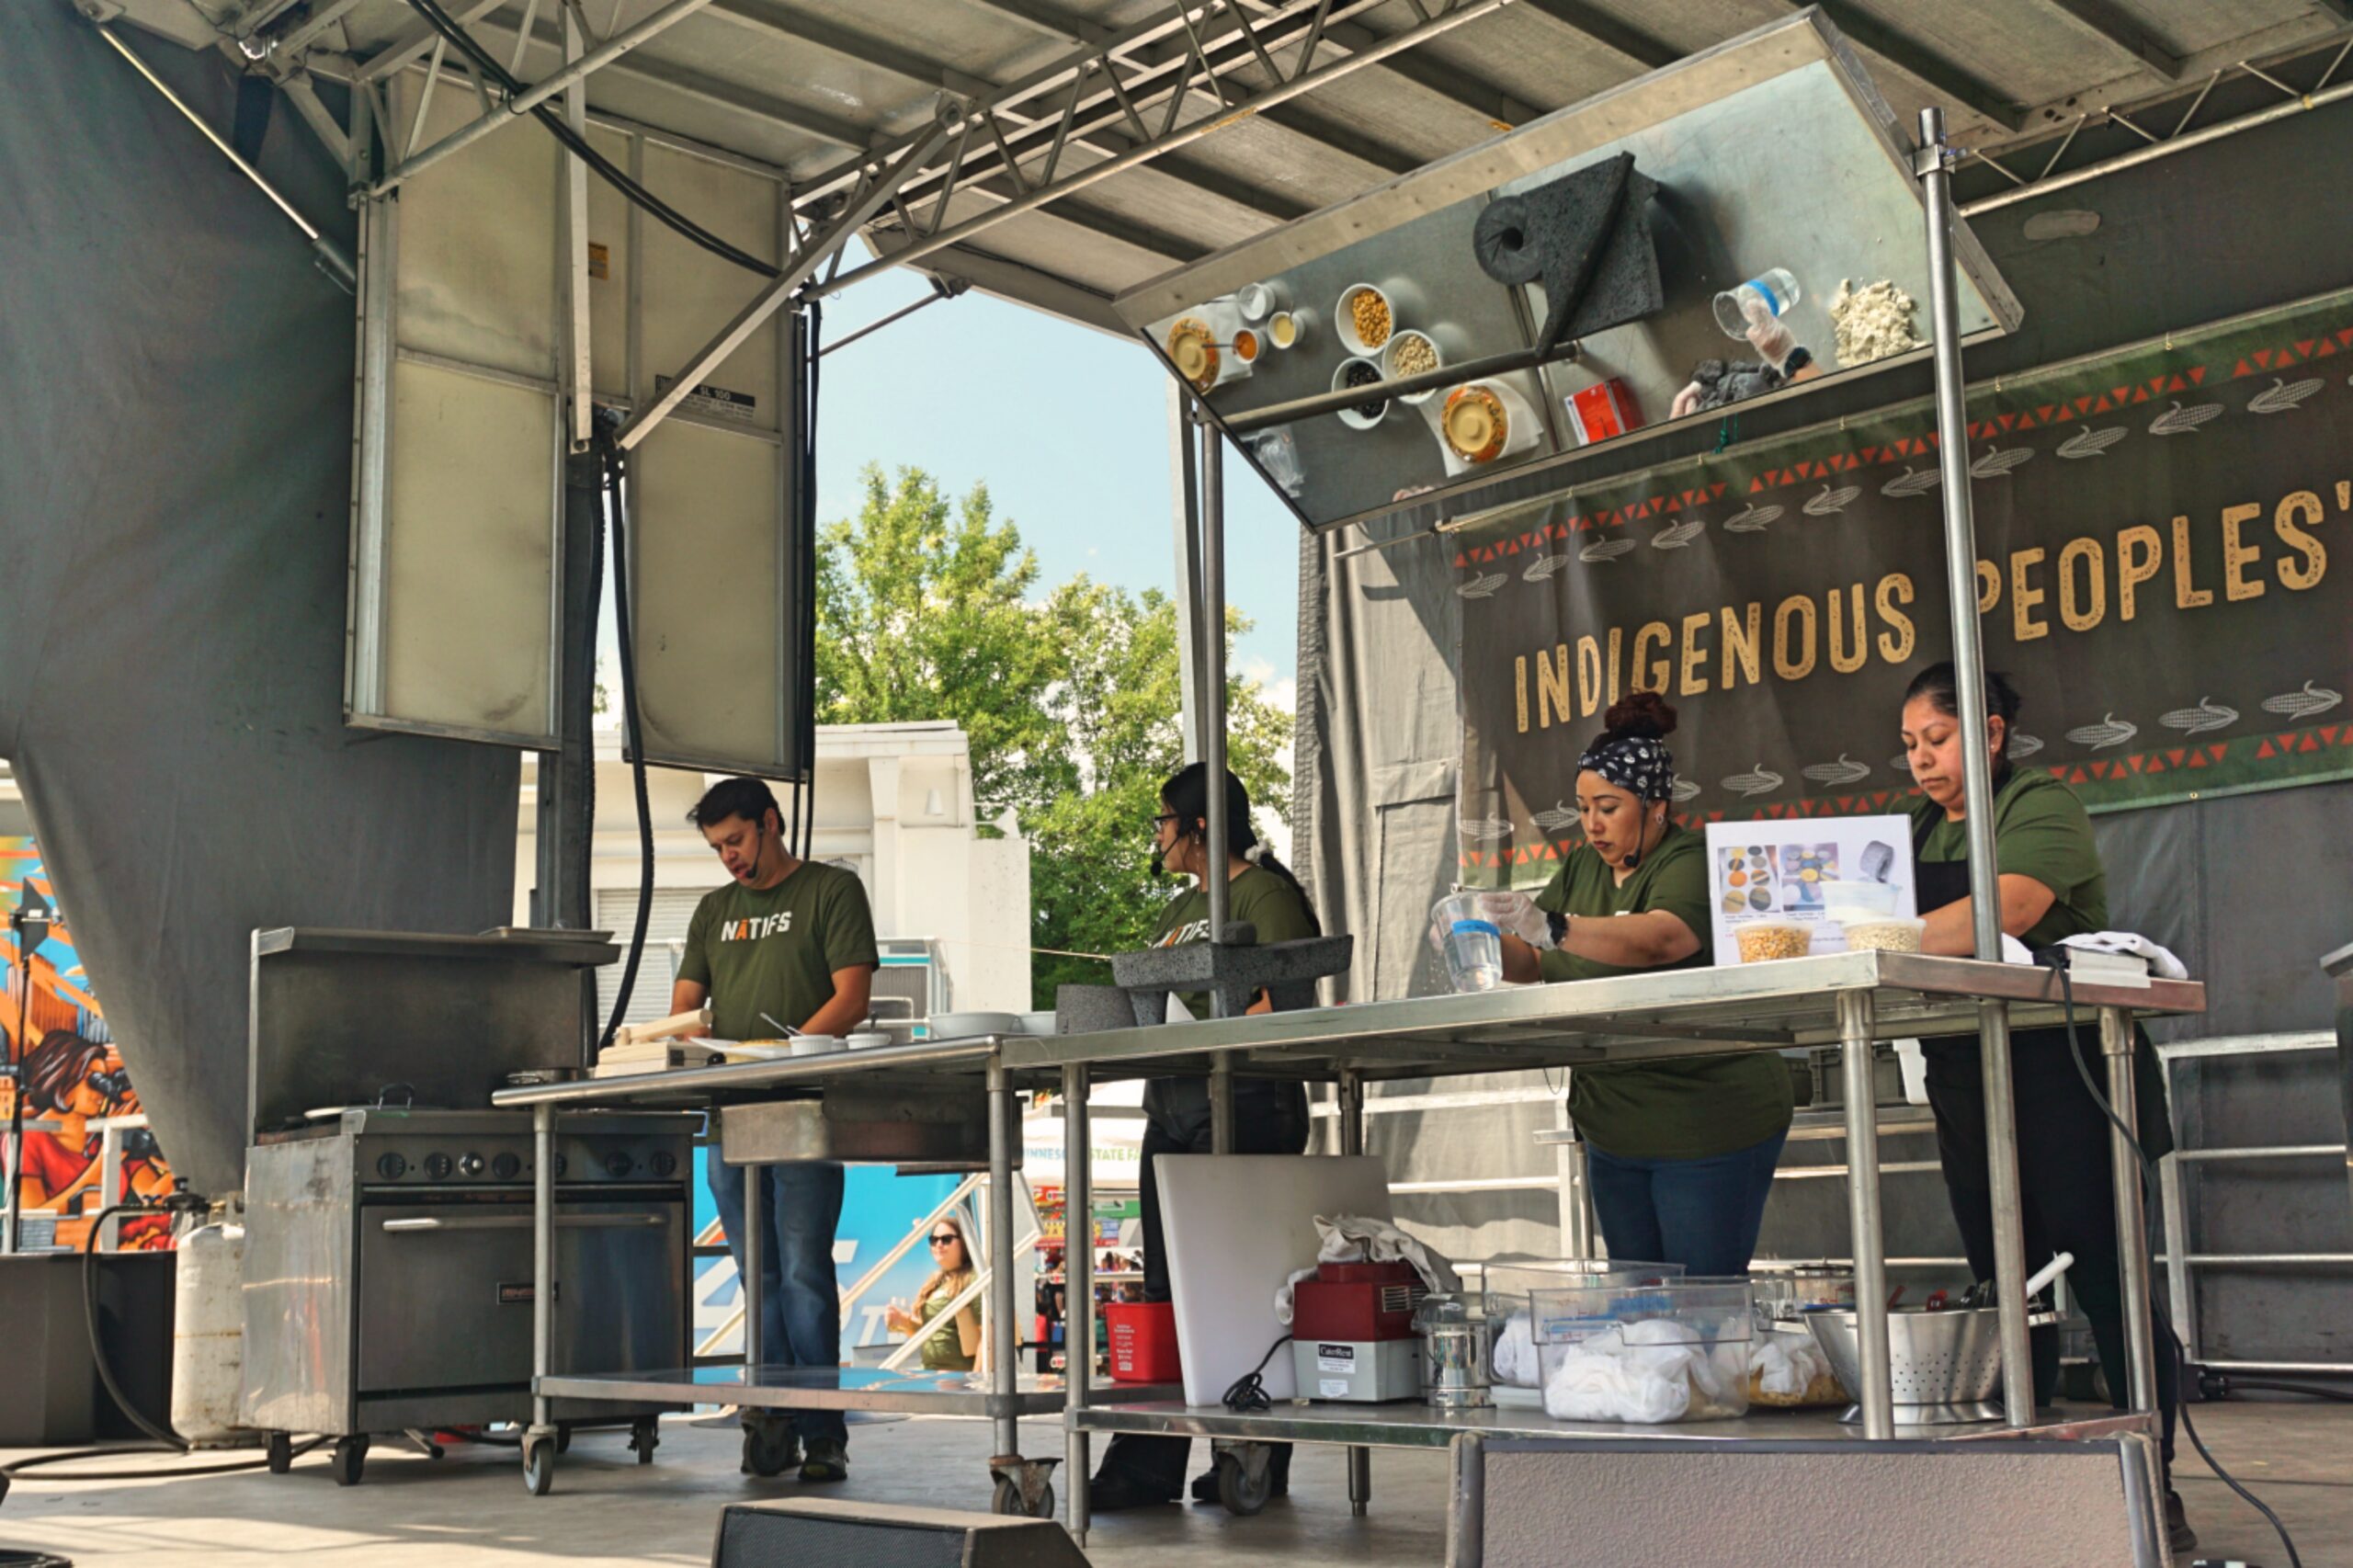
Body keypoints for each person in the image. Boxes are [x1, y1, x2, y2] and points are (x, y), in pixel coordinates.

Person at [1898, 662, 2193, 1553]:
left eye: (1937, 739)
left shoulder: (2038, 803)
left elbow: (2012, 902)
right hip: (1964, 1073)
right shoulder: (1905, 828)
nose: (1920, 759)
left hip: (2066, 1070)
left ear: (1988, 734)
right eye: (1909, 744)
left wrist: (1865, 928)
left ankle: (2149, 1481)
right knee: (2007, 1291)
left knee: (2108, 1283)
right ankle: (2025, 1494)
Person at [1474, 691, 1794, 1277]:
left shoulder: (1691, 860)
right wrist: (1478, 938)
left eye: (1609, 806)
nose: (1592, 823)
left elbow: (1660, 940)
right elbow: (1536, 958)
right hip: (1613, 1125)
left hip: (1705, 1122)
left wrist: (1550, 926)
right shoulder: (1581, 867)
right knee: (1640, 1306)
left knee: (1703, 1304)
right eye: (1582, 807)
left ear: (1655, 806)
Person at [1088, 762, 1321, 1513]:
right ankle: (1148, 1460)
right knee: (1163, 1289)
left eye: (1163, 820)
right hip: (1175, 1104)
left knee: (1241, 1289)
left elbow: (1281, 1001)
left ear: (1197, 825)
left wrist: (1211, 1034)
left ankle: (1249, 1451)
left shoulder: (1265, 893)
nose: (1156, 836)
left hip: (1247, 1099)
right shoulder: (1179, 908)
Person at [669, 776, 878, 1484]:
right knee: (755, 1274)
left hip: (804, 1105)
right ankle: (769, 1417)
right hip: (728, 1111)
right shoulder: (712, 910)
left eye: (735, 840)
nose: (728, 856)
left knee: (803, 1273)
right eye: (716, 847)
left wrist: (782, 1058)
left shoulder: (830, 891)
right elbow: (687, 1007)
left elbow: (851, 998)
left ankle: (822, 1430)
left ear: (771, 822)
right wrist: (681, 1045)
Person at [886, 1213, 983, 1373]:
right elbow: (931, 1336)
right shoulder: (936, 1280)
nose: (938, 1244)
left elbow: (989, 1335)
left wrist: (976, 1380)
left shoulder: (973, 1279)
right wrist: (904, 1323)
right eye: (933, 1240)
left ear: (964, 1242)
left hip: (959, 1378)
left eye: (946, 1239)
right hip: (933, 1375)